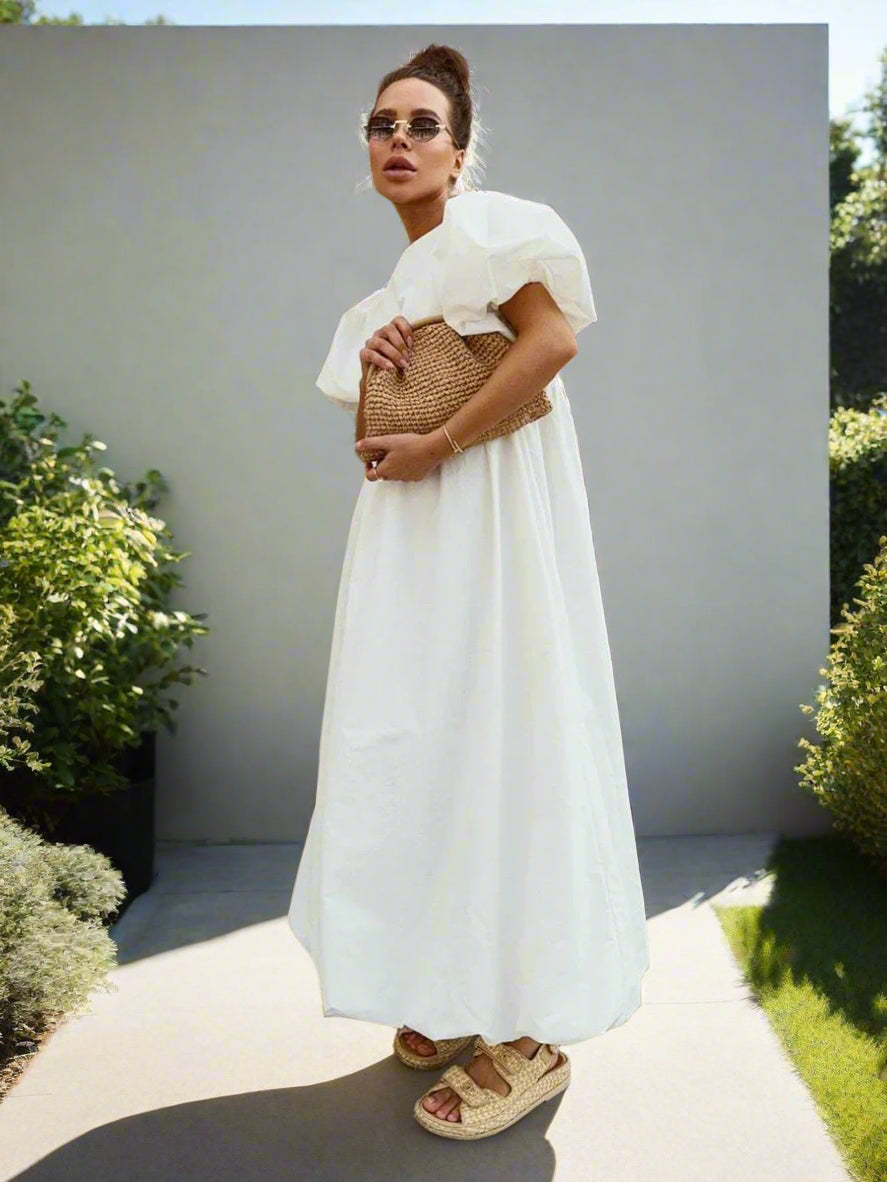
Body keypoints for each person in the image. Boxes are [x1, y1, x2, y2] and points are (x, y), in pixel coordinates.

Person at [288, 42, 650, 1141]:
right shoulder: (384, 291)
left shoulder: (496, 226)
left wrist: (438, 433)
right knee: (422, 736)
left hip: (492, 514)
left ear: (458, 149)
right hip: (414, 533)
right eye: (380, 124)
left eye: (421, 125)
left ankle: (533, 1031)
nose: (397, 139)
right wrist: (392, 354)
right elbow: (375, 414)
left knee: (510, 726)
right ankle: (458, 990)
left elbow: (550, 340)